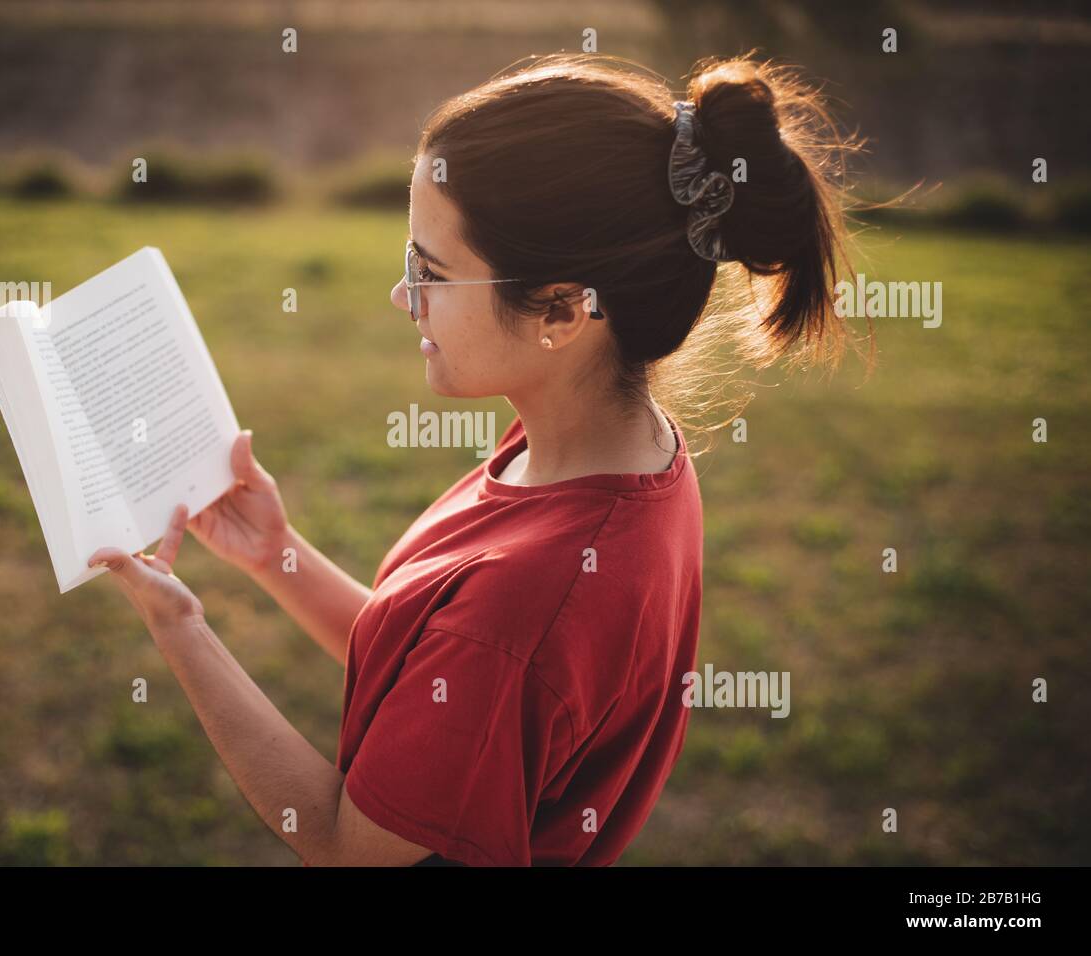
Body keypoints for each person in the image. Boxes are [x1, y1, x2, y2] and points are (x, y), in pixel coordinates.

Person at [90, 53, 863, 866]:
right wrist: (277, 555)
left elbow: (348, 845)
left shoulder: (528, 595)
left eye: (432, 272)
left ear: (561, 311)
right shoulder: (614, 449)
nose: (402, 297)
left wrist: (180, 628)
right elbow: (445, 676)